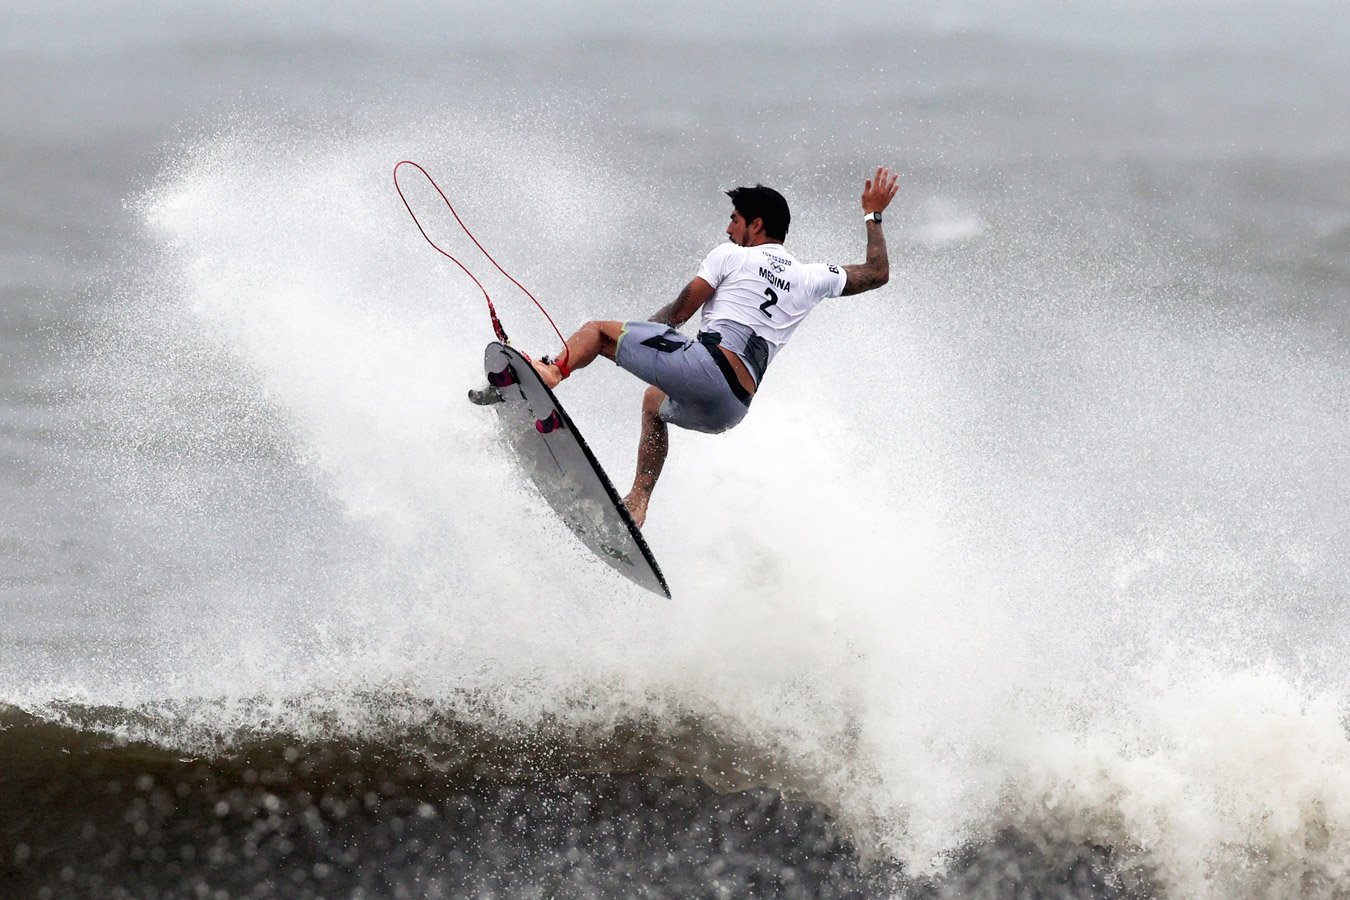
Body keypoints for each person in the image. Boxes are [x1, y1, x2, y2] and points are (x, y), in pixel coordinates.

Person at [530, 166, 899, 527]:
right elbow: (876, 273)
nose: (728, 228)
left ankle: (550, 372)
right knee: (653, 402)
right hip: (732, 407)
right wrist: (873, 214)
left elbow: (677, 315)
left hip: (706, 370)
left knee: (597, 331)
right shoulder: (810, 277)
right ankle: (638, 502)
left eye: (735, 219)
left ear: (756, 225)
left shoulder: (731, 255)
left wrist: (628, 337)